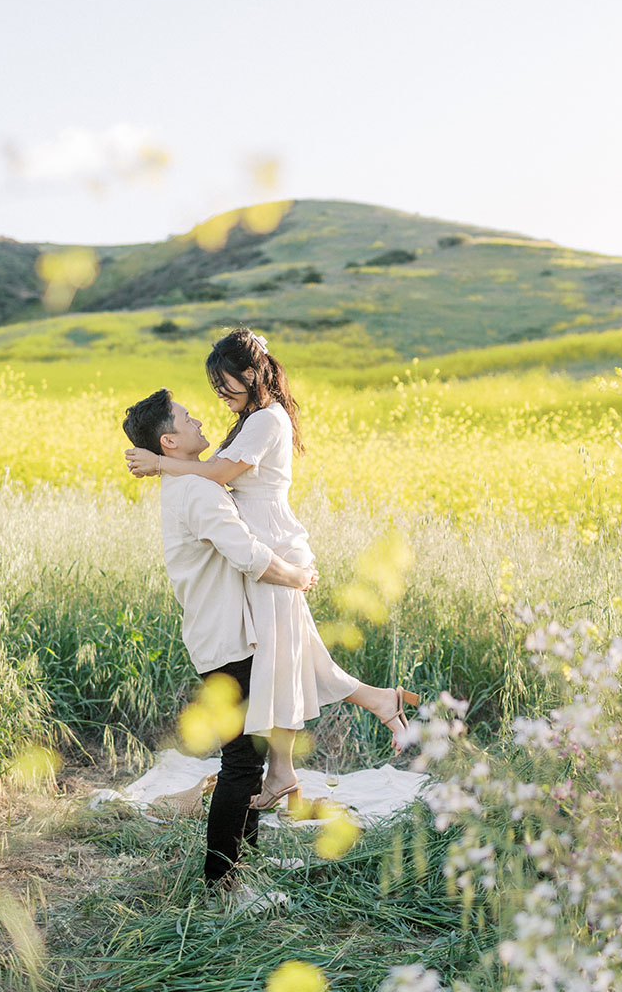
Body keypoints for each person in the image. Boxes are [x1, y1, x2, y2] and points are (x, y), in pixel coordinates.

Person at [125, 329, 418, 813]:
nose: (221, 396)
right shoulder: (251, 419)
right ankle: (327, 740)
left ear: (252, 373)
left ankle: (292, 765)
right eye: (216, 387)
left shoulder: (265, 421)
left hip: (270, 550)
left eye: (226, 384)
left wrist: (161, 462)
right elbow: (216, 472)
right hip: (259, 548)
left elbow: (218, 475)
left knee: (282, 663)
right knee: (286, 660)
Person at [122, 388, 318, 888]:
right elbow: (247, 553)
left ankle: (242, 861)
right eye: (187, 418)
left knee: (246, 755)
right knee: (241, 761)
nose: (198, 419)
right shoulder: (197, 490)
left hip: (222, 634)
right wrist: (295, 576)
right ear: (171, 441)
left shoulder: (186, 481)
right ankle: (223, 880)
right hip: (227, 639)